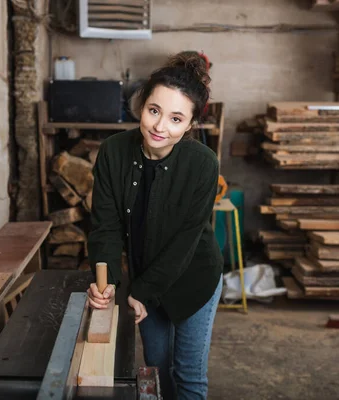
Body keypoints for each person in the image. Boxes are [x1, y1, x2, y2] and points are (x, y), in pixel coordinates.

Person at [86, 52, 223, 400]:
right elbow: (105, 225)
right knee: (157, 370)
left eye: (176, 118)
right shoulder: (114, 151)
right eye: (154, 111)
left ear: (190, 124)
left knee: (188, 374)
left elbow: (185, 241)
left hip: (194, 278)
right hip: (146, 277)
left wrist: (141, 291)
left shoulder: (203, 164)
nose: (160, 127)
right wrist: (108, 284)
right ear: (142, 105)